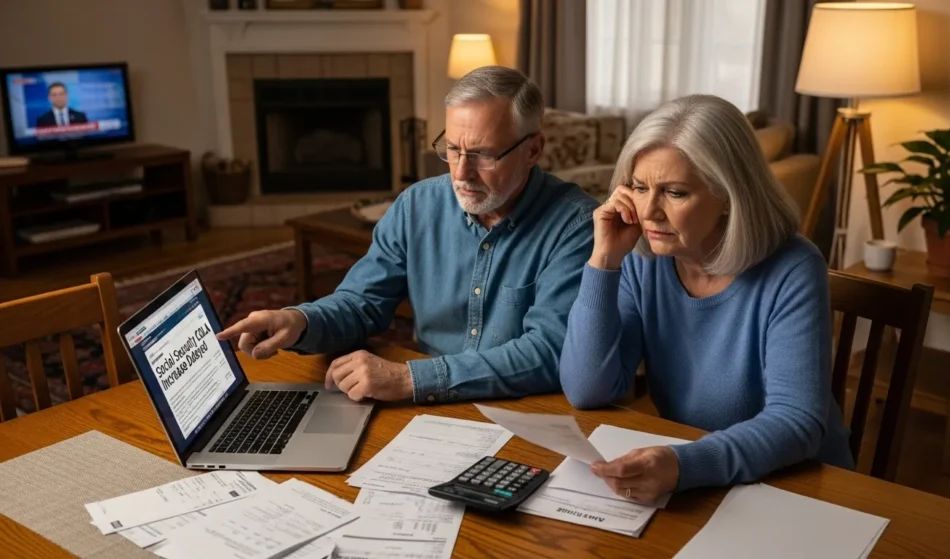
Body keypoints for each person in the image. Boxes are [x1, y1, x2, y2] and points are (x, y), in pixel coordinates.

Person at [218, 66, 599, 405]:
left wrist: (408, 378)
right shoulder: (417, 205)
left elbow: (549, 351)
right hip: (427, 405)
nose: (461, 173)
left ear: (533, 149)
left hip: (527, 409)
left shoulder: (575, 225)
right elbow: (362, 302)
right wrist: (299, 321)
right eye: (451, 148)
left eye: (483, 155)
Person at [559, 94, 854, 505]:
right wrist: (603, 261)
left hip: (798, 484)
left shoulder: (793, 266)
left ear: (730, 196)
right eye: (640, 188)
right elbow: (588, 390)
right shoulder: (643, 258)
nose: (649, 212)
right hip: (700, 478)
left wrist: (685, 465)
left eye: (675, 193)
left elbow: (797, 421)